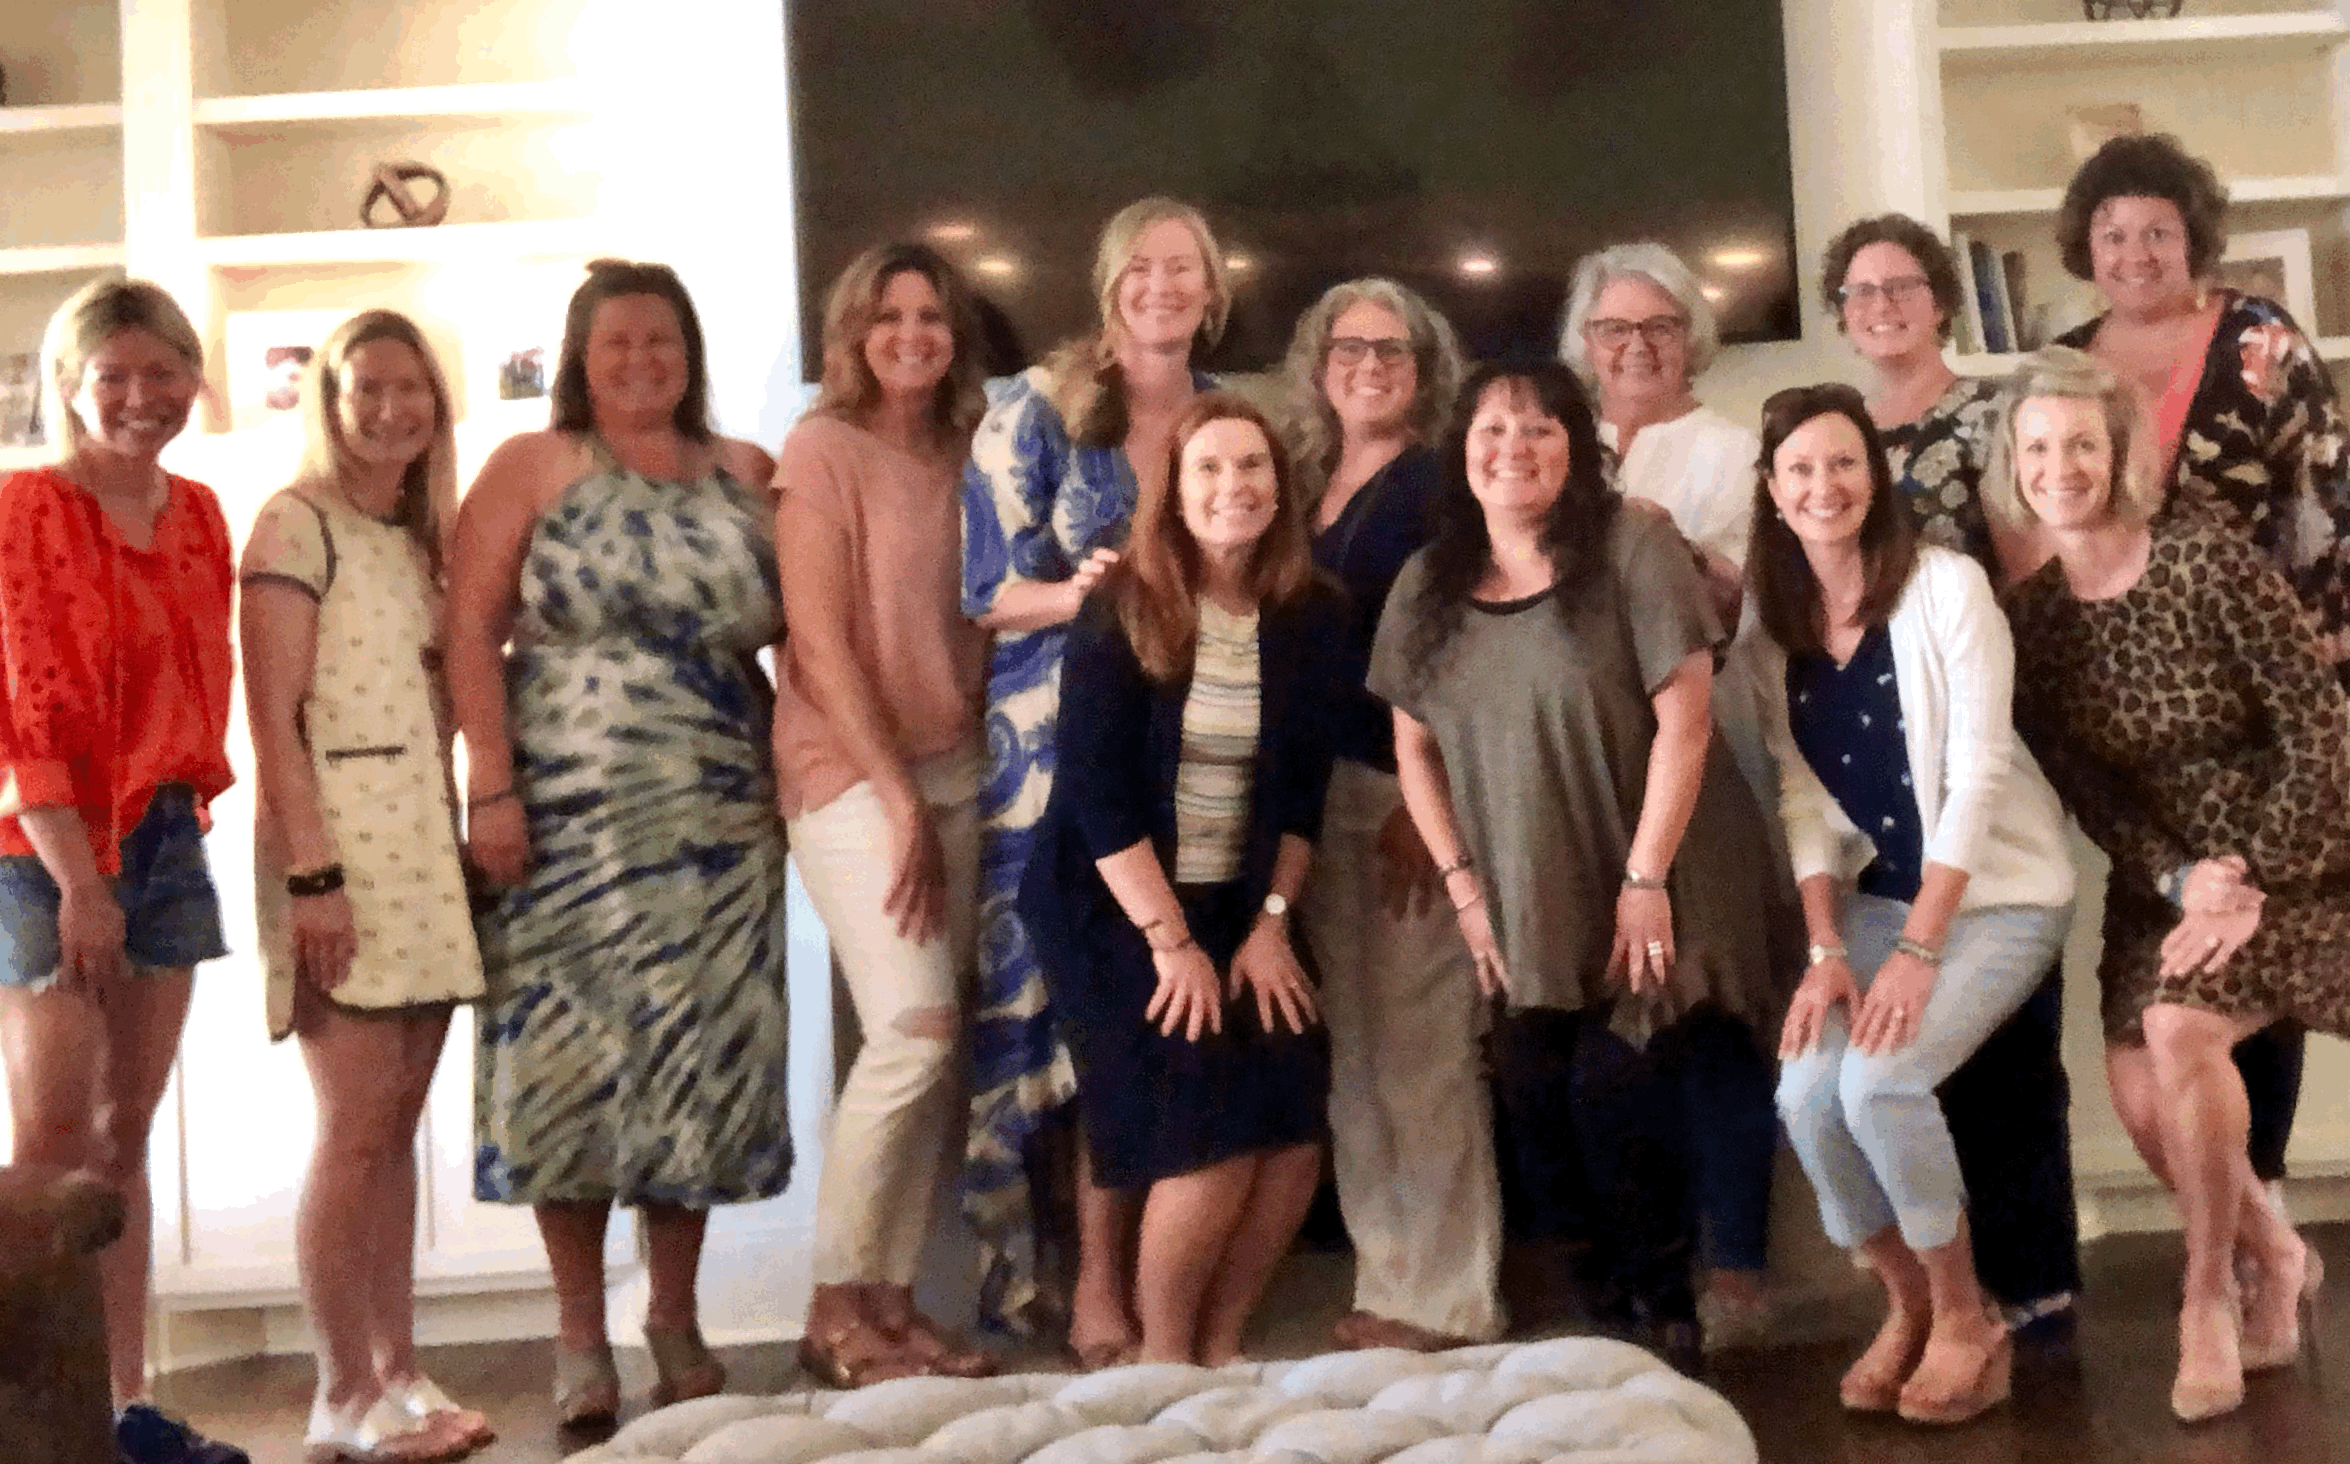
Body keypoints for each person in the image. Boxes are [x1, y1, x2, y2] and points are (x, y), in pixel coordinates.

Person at [1371, 361, 1787, 1366]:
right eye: (1492, 430)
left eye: (1540, 429)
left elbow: (1684, 719)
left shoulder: (1633, 545)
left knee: (1620, 1089)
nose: (1514, 449)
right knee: (1530, 1092)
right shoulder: (1426, 582)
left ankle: (1663, 1307)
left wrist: (1645, 882)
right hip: (1520, 881)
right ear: (1461, 450)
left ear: (1576, 446)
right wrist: (1466, 893)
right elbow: (1411, 747)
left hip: (1665, 860)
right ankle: (1603, 1308)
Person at [447, 260, 788, 1425]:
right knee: (568, 1064)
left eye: (660, 340)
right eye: (615, 343)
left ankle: (675, 1318)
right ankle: (580, 1334)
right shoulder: (532, 467)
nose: (640, 360)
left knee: (695, 1061)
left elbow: (818, 634)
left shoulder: (750, 474)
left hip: (718, 815)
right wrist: (489, 787)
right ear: (579, 360)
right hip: (562, 816)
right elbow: (466, 634)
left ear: (689, 352)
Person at [1997, 345, 2350, 1421]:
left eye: (2082, 444)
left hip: (2305, 851)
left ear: (2119, 453)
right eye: (2039, 446)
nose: (2062, 466)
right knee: (2136, 1091)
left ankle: (2207, 1295)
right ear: (2014, 464)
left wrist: (2251, 875)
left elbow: (2320, 724)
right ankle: (2277, 1254)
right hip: (2169, 874)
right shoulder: (2038, 619)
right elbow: (2089, 791)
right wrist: (2182, 874)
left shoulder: (2204, 561)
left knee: (2179, 1033)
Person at [1750, 383, 2076, 1425]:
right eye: (1799, 469)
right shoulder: (1772, 631)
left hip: (1999, 895)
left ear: (1875, 474)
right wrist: (1822, 950)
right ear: (1772, 492)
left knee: (1879, 1084)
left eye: (1842, 462)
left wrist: (1919, 950)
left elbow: (1977, 773)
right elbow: (1802, 798)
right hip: (1876, 900)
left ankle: (1964, 1315)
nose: (1823, 485)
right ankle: (1908, 1302)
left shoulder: (1944, 586)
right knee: (1804, 1094)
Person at [2049, 134, 2350, 1217]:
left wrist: (2313, 675)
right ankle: (2254, 1237)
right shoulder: (2070, 358)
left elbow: (2321, 510)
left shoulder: (2261, 340)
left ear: (2195, 240)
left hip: (2277, 700)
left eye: (2157, 233)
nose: (2133, 253)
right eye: (2112, 233)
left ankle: (2259, 1186)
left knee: (2251, 955)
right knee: (2183, 944)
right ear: (2085, 244)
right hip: (2147, 710)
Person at [1017, 392, 1343, 1365]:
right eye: (1208, 467)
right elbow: (1097, 797)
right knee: (1211, 1130)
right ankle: (1163, 1364)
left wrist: (1273, 925)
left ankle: (1219, 1345)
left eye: (1251, 467)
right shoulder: (1123, 607)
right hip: (1112, 909)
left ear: (1280, 490)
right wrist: (1173, 947)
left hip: (1240, 904)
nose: (1232, 486)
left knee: (1292, 1129)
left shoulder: (1308, 614)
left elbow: (1301, 796)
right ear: (1174, 490)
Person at [960, 198, 1228, 1358]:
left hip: (1195, 751)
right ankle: (1090, 1286)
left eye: (1185, 271)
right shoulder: (1033, 407)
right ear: (1109, 283)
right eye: (1142, 269)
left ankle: (1143, 1279)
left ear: (1213, 293)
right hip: (1052, 750)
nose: (1162, 288)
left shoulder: (1232, 418)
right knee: (1069, 1024)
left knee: (1153, 1017)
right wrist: (1096, 598)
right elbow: (984, 593)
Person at [1820, 212, 2084, 1331]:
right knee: (1910, 1062)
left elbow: (2032, 576)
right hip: (1885, 788)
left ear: (1938, 301)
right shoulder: (1833, 436)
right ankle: (1947, 1291)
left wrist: (2008, 731)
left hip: (1991, 759)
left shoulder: (1988, 416)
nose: (1881, 306)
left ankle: (2036, 1289)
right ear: (1840, 316)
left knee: (2011, 1051)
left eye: (1901, 286)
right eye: (1860, 292)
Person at [0, 278, 248, 1464]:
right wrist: (81, 886)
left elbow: (200, 691)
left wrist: (159, 843)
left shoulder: (199, 512)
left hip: (165, 837)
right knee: (52, 1150)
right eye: (115, 377)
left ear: (195, 380)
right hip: (47, 851)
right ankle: (45, 1427)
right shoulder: (26, 509)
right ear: (70, 387)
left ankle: (123, 1408)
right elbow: (25, 713)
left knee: (126, 1136)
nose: (142, 399)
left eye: (164, 374)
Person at [241, 310, 494, 1460]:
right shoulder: (295, 526)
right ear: (327, 403)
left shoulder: (414, 534)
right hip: (336, 849)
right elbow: (275, 720)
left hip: (423, 848)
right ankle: (339, 1394)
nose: (391, 409)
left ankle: (397, 1372)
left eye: (411, 390)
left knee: (393, 1132)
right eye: (365, 390)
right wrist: (314, 878)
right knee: (349, 1132)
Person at [773, 244, 995, 1385]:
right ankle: (831, 1304)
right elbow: (815, 641)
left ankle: (895, 1304)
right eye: (887, 316)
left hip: (959, 770)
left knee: (935, 1050)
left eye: (931, 316)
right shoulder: (820, 451)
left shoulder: (970, 451)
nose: (911, 334)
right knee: (913, 1031)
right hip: (849, 778)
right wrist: (897, 797)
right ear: (852, 331)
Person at [1562, 242, 1789, 1341]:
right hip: (1583, 778)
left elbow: (1749, 603)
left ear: (1690, 335)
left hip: (1710, 759)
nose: (1635, 348)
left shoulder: (1731, 450)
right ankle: (1638, 1269)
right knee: (1610, 1024)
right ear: (1584, 345)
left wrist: (1666, 544)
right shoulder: (1555, 444)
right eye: (1613, 330)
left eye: (1657, 327)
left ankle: (1736, 1259)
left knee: (1711, 1009)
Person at [1279, 278, 1502, 1352]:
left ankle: (1451, 1299)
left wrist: (1440, 802)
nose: (1368, 364)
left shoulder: (1437, 487)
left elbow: (1471, 651)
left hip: (1406, 798)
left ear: (1424, 371)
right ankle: (1387, 1281)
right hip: (1318, 804)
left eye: (1393, 350)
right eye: (1349, 346)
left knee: (1423, 1053)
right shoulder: (1306, 483)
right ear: (1318, 364)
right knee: (1359, 1056)